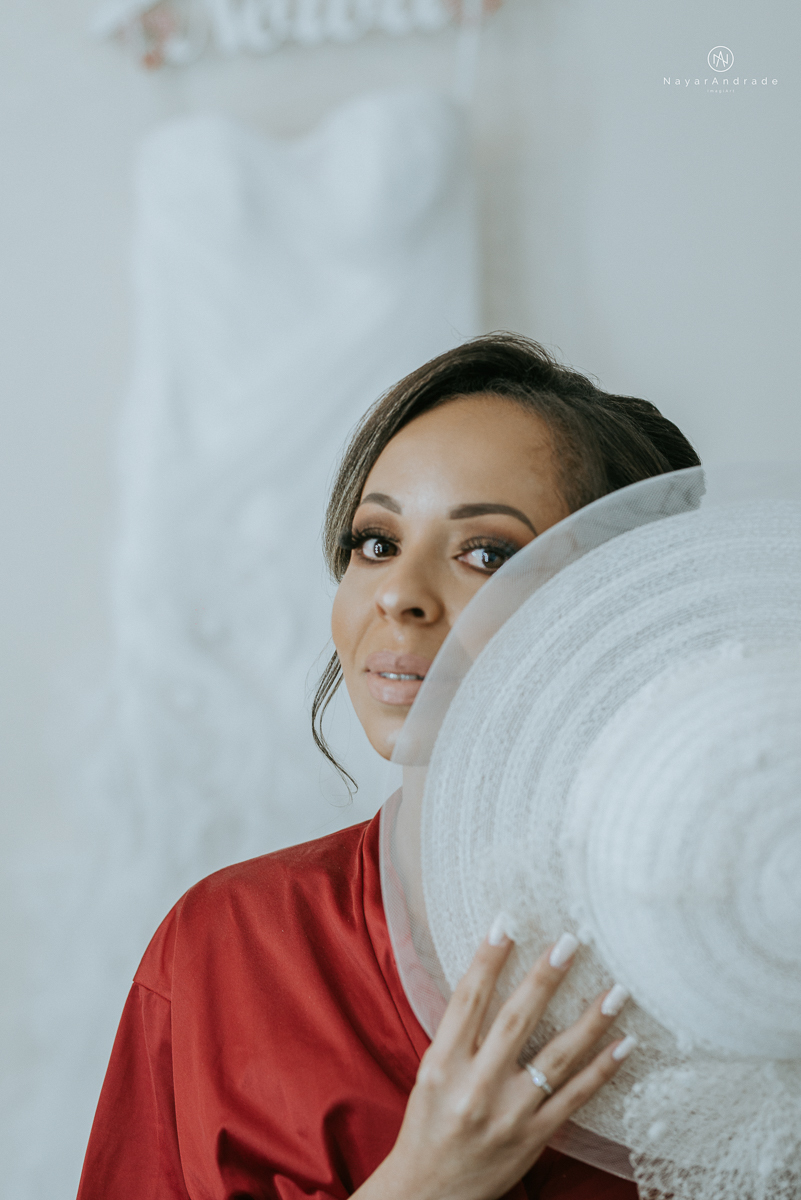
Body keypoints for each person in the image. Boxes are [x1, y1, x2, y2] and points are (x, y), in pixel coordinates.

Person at [76, 333, 701, 1200]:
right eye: (375, 540)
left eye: (486, 553)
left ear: (612, 607)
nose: (398, 594)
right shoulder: (226, 945)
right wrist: (424, 1183)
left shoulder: (728, 955)